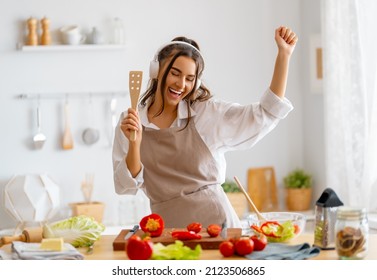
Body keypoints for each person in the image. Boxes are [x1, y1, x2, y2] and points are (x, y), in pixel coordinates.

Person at [112, 26, 298, 228]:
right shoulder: (131, 121)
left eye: (190, 79)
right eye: (175, 73)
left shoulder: (206, 114)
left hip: (219, 228)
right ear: (156, 71)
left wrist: (284, 55)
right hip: (168, 232)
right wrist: (135, 144)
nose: (181, 84)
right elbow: (125, 187)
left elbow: (264, 114)